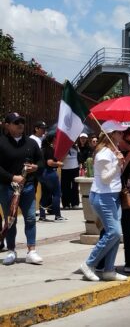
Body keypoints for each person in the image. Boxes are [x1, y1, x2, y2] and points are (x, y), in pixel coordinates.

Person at [78, 120, 129, 281]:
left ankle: (109, 270)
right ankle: (89, 263)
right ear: (110, 134)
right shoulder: (103, 154)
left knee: (114, 233)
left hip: (112, 195)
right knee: (113, 232)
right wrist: (118, 163)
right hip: (103, 196)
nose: (122, 135)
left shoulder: (113, 151)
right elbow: (106, 179)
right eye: (119, 132)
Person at [96, 128, 130, 274]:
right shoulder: (113, 154)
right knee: (112, 231)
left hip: (124, 194)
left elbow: (127, 174)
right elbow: (114, 174)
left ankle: (129, 262)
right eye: (128, 141)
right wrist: (128, 159)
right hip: (115, 195)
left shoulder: (123, 153)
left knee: (125, 231)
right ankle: (100, 263)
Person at [0, 112, 43, 264]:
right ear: (7, 125)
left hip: (28, 187)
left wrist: (36, 167)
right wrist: (13, 177)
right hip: (7, 188)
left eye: (22, 122)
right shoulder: (1, 142)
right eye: (16, 122)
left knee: (30, 218)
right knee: (10, 220)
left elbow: (41, 160)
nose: (20, 125)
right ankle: (11, 250)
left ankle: (32, 250)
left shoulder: (31, 143)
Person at [38, 136, 64, 221]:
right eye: (55, 139)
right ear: (52, 140)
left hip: (42, 175)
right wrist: (58, 164)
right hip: (50, 173)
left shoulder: (41, 150)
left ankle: (42, 215)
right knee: (57, 194)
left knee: (45, 194)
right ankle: (57, 215)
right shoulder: (49, 149)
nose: (56, 141)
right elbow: (50, 162)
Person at [61, 142, 81, 210]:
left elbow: (79, 157)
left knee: (75, 187)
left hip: (75, 168)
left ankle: (75, 203)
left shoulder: (76, 147)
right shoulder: (62, 148)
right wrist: (66, 151)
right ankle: (66, 204)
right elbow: (60, 159)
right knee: (66, 187)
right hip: (65, 169)